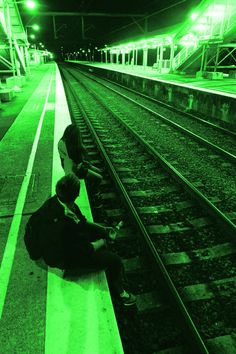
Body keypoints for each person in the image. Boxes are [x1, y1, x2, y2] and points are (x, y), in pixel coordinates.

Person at [24, 174, 136, 306]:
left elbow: (81, 221)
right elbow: (84, 250)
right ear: (76, 195)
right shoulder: (64, 226)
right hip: (62, 260)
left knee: (98, 237)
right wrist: (103, 241)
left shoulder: (57, 201)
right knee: (115, 261)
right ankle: (122, 294)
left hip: (61, 246)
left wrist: (103, 230)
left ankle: (114, 275)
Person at [58, 124, 103, 206]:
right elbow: (77, 166)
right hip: (74, 170)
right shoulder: (71, 148)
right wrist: (87, 166)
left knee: (97, 170)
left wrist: (89, 165)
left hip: (73, 166)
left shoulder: (62, 142)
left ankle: (92, 189)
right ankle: (92, 195)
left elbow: (78, 161)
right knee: (99, 178)